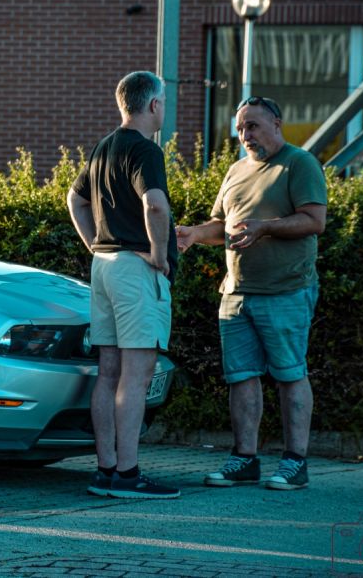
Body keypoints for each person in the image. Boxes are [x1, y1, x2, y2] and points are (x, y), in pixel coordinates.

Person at [176, 96, 327, 491]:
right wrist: (194, 235)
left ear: (277, 123)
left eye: (253, 126)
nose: (245, 135)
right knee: (241, 377)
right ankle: (244, 459)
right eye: (241, 128)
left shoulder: (300, 163)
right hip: (236, 293)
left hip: (286, 290)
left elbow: (315, 221)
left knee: (290, 375)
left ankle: (296, 462)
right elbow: (221, 224)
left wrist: (266, 226)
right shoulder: (236, 169)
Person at [67, 71, 180, 499]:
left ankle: (106, 471)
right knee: (136, 373)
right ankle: (129, 476)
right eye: (163, 102)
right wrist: (157, 252)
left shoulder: (103, 147)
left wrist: (93, 243)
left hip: (104, 265)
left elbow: (73, 199)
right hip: (134, 268)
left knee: (108, 371)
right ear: (153, 105)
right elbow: (155, 203)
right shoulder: (145, 150)